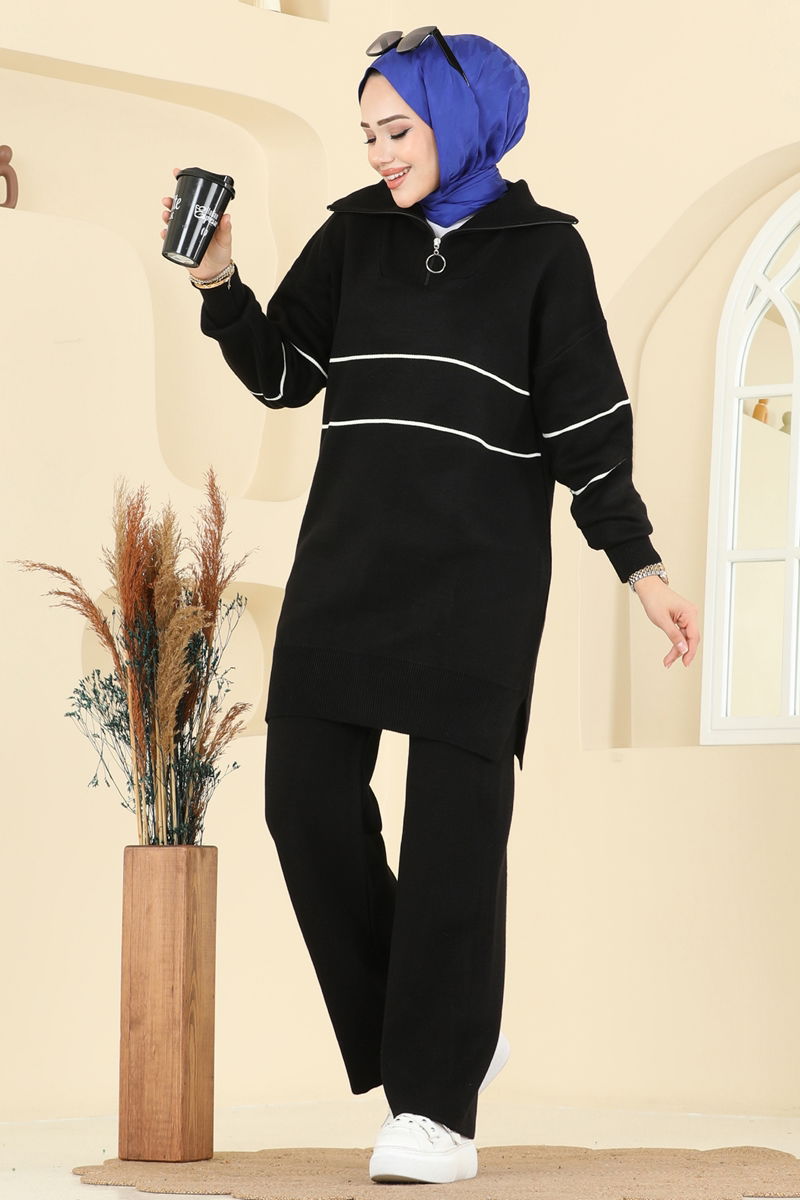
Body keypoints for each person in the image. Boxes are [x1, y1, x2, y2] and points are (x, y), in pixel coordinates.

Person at [160, 27, 700, 1186]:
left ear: (459, 121)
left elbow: (587, 437)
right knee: (303, 807)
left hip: (476, 592)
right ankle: (439, 1028)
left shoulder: (544, 254)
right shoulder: (355, 233)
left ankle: (434, 1112)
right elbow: (284, 376)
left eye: (394, 130)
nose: (377, 152)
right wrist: (218, 284)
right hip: (346, 573)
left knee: (453, 849)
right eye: (365, 133)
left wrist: (643, 570)